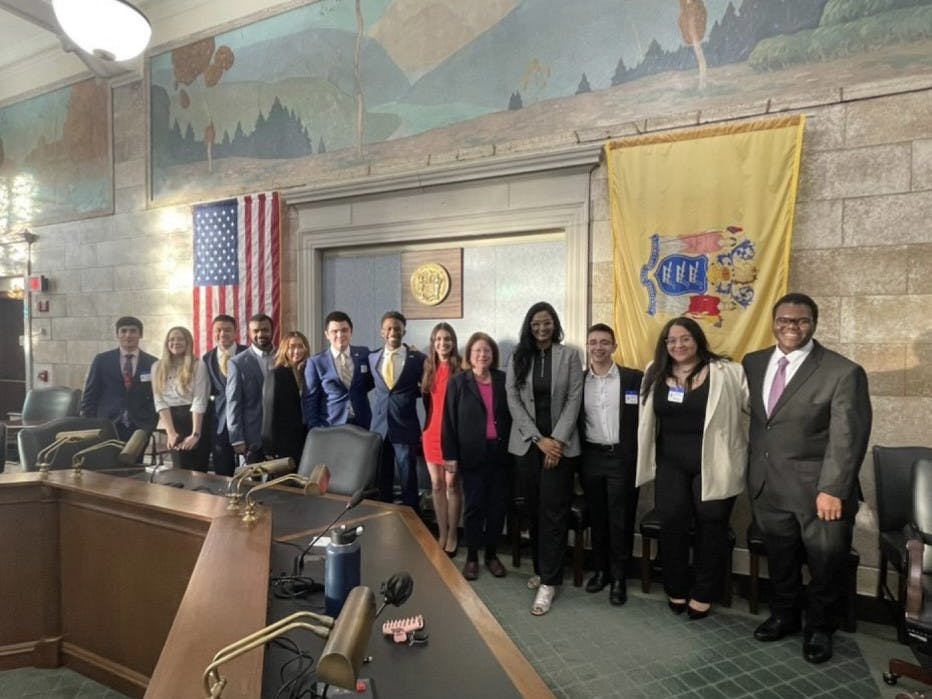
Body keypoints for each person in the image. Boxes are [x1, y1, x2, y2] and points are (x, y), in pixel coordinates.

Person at [744, 292, 871, 664]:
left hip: (820, 492)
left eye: (801, 321)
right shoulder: (753, 363)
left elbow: (848, 436)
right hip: (768, 484)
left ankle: (819, 627)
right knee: (781, 558)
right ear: (773, 322)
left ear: (814, 323)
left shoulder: (842, 371)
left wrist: (833, 489)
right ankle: (784, 615)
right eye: (784, 320)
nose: (791, 327)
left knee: (825, 563)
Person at [636, 316, 748, 620]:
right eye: (671, 340)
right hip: (671, 463)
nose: (678, 345)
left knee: (711, 523)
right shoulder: (654, 371)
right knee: (672, 522)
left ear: (697, 339)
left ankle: (703, 592)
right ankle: (676, 587)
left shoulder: (727, 371)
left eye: (684, 338)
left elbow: (756, 409)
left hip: (715, 460)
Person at [506, 301, 583, 616]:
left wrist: (557, 442)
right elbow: (512, 399)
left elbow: (574, 398)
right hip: (528, 447)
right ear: (529, 325)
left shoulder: (570, 356)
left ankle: (549, 582)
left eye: (547, 322)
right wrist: (540, 441)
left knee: (554, 512)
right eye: (536, 323)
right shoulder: (518, 357)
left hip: (561, 449)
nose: (541, 327)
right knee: (535, 511)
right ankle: (541, 568)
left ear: (555, 324)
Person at [579, 323, 643, 606]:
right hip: (590, 457)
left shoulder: (633, 379)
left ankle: (619, 578)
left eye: (604, 342)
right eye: (593, 342)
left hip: (622, 457)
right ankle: (601, 571)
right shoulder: (578, 381)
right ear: (587, 346)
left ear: (614, 346)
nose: (598, 347)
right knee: (598, 518)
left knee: (621, 519)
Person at [442, 332, 512, 581]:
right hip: (471, 455)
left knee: (496, 508)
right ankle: (472, 557)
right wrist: (450, 455)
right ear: (469, 355)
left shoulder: (504, 380)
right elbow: (448, 422)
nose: (482, 355)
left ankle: (491, 555)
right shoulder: (458, 382)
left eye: (487, 351)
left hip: (500, 454)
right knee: (473, 509)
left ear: (493, 355)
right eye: (477, 351)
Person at [369, 311, 426, 510]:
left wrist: (408, 396)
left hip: (405, 426)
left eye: (397, 328)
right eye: (389, 328)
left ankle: (413, 523)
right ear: (382, 332)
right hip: (379, 428)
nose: (393, 331)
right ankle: (384, 518)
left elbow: (426, 388)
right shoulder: (372, 357)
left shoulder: (418, 358)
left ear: (404, 331)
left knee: (408, 479)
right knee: (382, 479)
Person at [421, 322, 463, 557]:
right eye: (438, 339)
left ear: (453, 342)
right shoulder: (428, 365)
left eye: (447, 339)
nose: (442, 343)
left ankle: (455, 534)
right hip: (430, 434)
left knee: (452, 485)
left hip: (452, 436)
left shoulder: (460, 367)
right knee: (436, 485)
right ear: (433, 342)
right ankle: (443, 532)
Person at [81, 316, 158, 441]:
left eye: (133, 331)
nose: (128, 335)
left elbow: (156, 396)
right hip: (106, 425)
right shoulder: (102, 360)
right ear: (117, 334)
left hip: (140, 427)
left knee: (135, 460)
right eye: (123, 331)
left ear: (140, 335)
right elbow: (90, 395)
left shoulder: (153, 363)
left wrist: (150, 423)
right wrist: (90, 424)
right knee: (107, 460)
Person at [151, 326, 211, 470]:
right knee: (180, 470)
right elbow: (159, 401)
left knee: (197, 470)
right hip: (172, 422)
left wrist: (195, 435)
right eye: (171, 339)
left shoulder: (198, 365)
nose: (175, 342)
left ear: (188, 342)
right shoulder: (157, 367)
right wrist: (171, 433)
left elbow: (199, 400)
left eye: (180, 339)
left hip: (195, 420)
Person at [303, 311, 373, 429]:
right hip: (331, 426)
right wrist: (315, 428)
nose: (340, 335)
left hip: (362, 424)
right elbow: (310, 398)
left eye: (344, 330)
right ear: (327, 334)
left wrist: (407, 350)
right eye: (335, 331)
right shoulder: (316, 362)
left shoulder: (364, 354)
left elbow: (381, 363)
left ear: (351, 332)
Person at [226, 313, 276, 465]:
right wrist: (237, 438)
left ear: (272, 330)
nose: (261, 334)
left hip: (280, 436)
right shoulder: (238, 363)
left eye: (265, 330)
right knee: (251, 485)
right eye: (256, 331)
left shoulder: (283, 357)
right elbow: (233, 403)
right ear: (249, 333)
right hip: (252, 439)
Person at [202, 314, 247, 476]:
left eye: (227, 330)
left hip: (246, 422)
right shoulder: (206, 359)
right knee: (222, 472)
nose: (222, 334)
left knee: (250, 473)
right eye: (218, 330)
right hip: (219, 424)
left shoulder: (248, 353)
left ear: (236, 332)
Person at [263, 331, 311, 464]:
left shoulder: (309, 373)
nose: (297, 351)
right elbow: (269, 412)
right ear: (284, 349)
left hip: (307, 440)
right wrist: (269, 448)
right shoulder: (276, 375)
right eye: (292, 347)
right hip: (284, 442)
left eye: (300, 346)